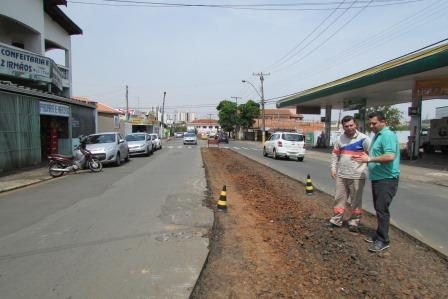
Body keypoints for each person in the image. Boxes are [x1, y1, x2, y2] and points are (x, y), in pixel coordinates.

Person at [353, 111, 400, 252]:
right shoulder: (378, 136)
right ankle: (379, 235)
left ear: (383, 121)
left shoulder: (387, 135)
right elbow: (377, 154)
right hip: (378, 178)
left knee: (382, 210)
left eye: (374, 123)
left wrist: (370, 159)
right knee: (379, 209)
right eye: (371, 123)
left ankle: (383, 240)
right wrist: (366, 156)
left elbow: (390, 156)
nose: (372, 126)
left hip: (386, 179)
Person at [329, 115, 370, 232]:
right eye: (346, 126)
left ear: (355, 125)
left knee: (355, 200)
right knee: (339, 198)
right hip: (341, 175)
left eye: (351, 125)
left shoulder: (364, 139)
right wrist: (333, 168)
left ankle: (354, 222)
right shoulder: (340, 139)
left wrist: (367, 164)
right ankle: (336, 220)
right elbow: (335, 155)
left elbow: (371, 155)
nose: (349, 128)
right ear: (343, 127)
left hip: (357, 176)